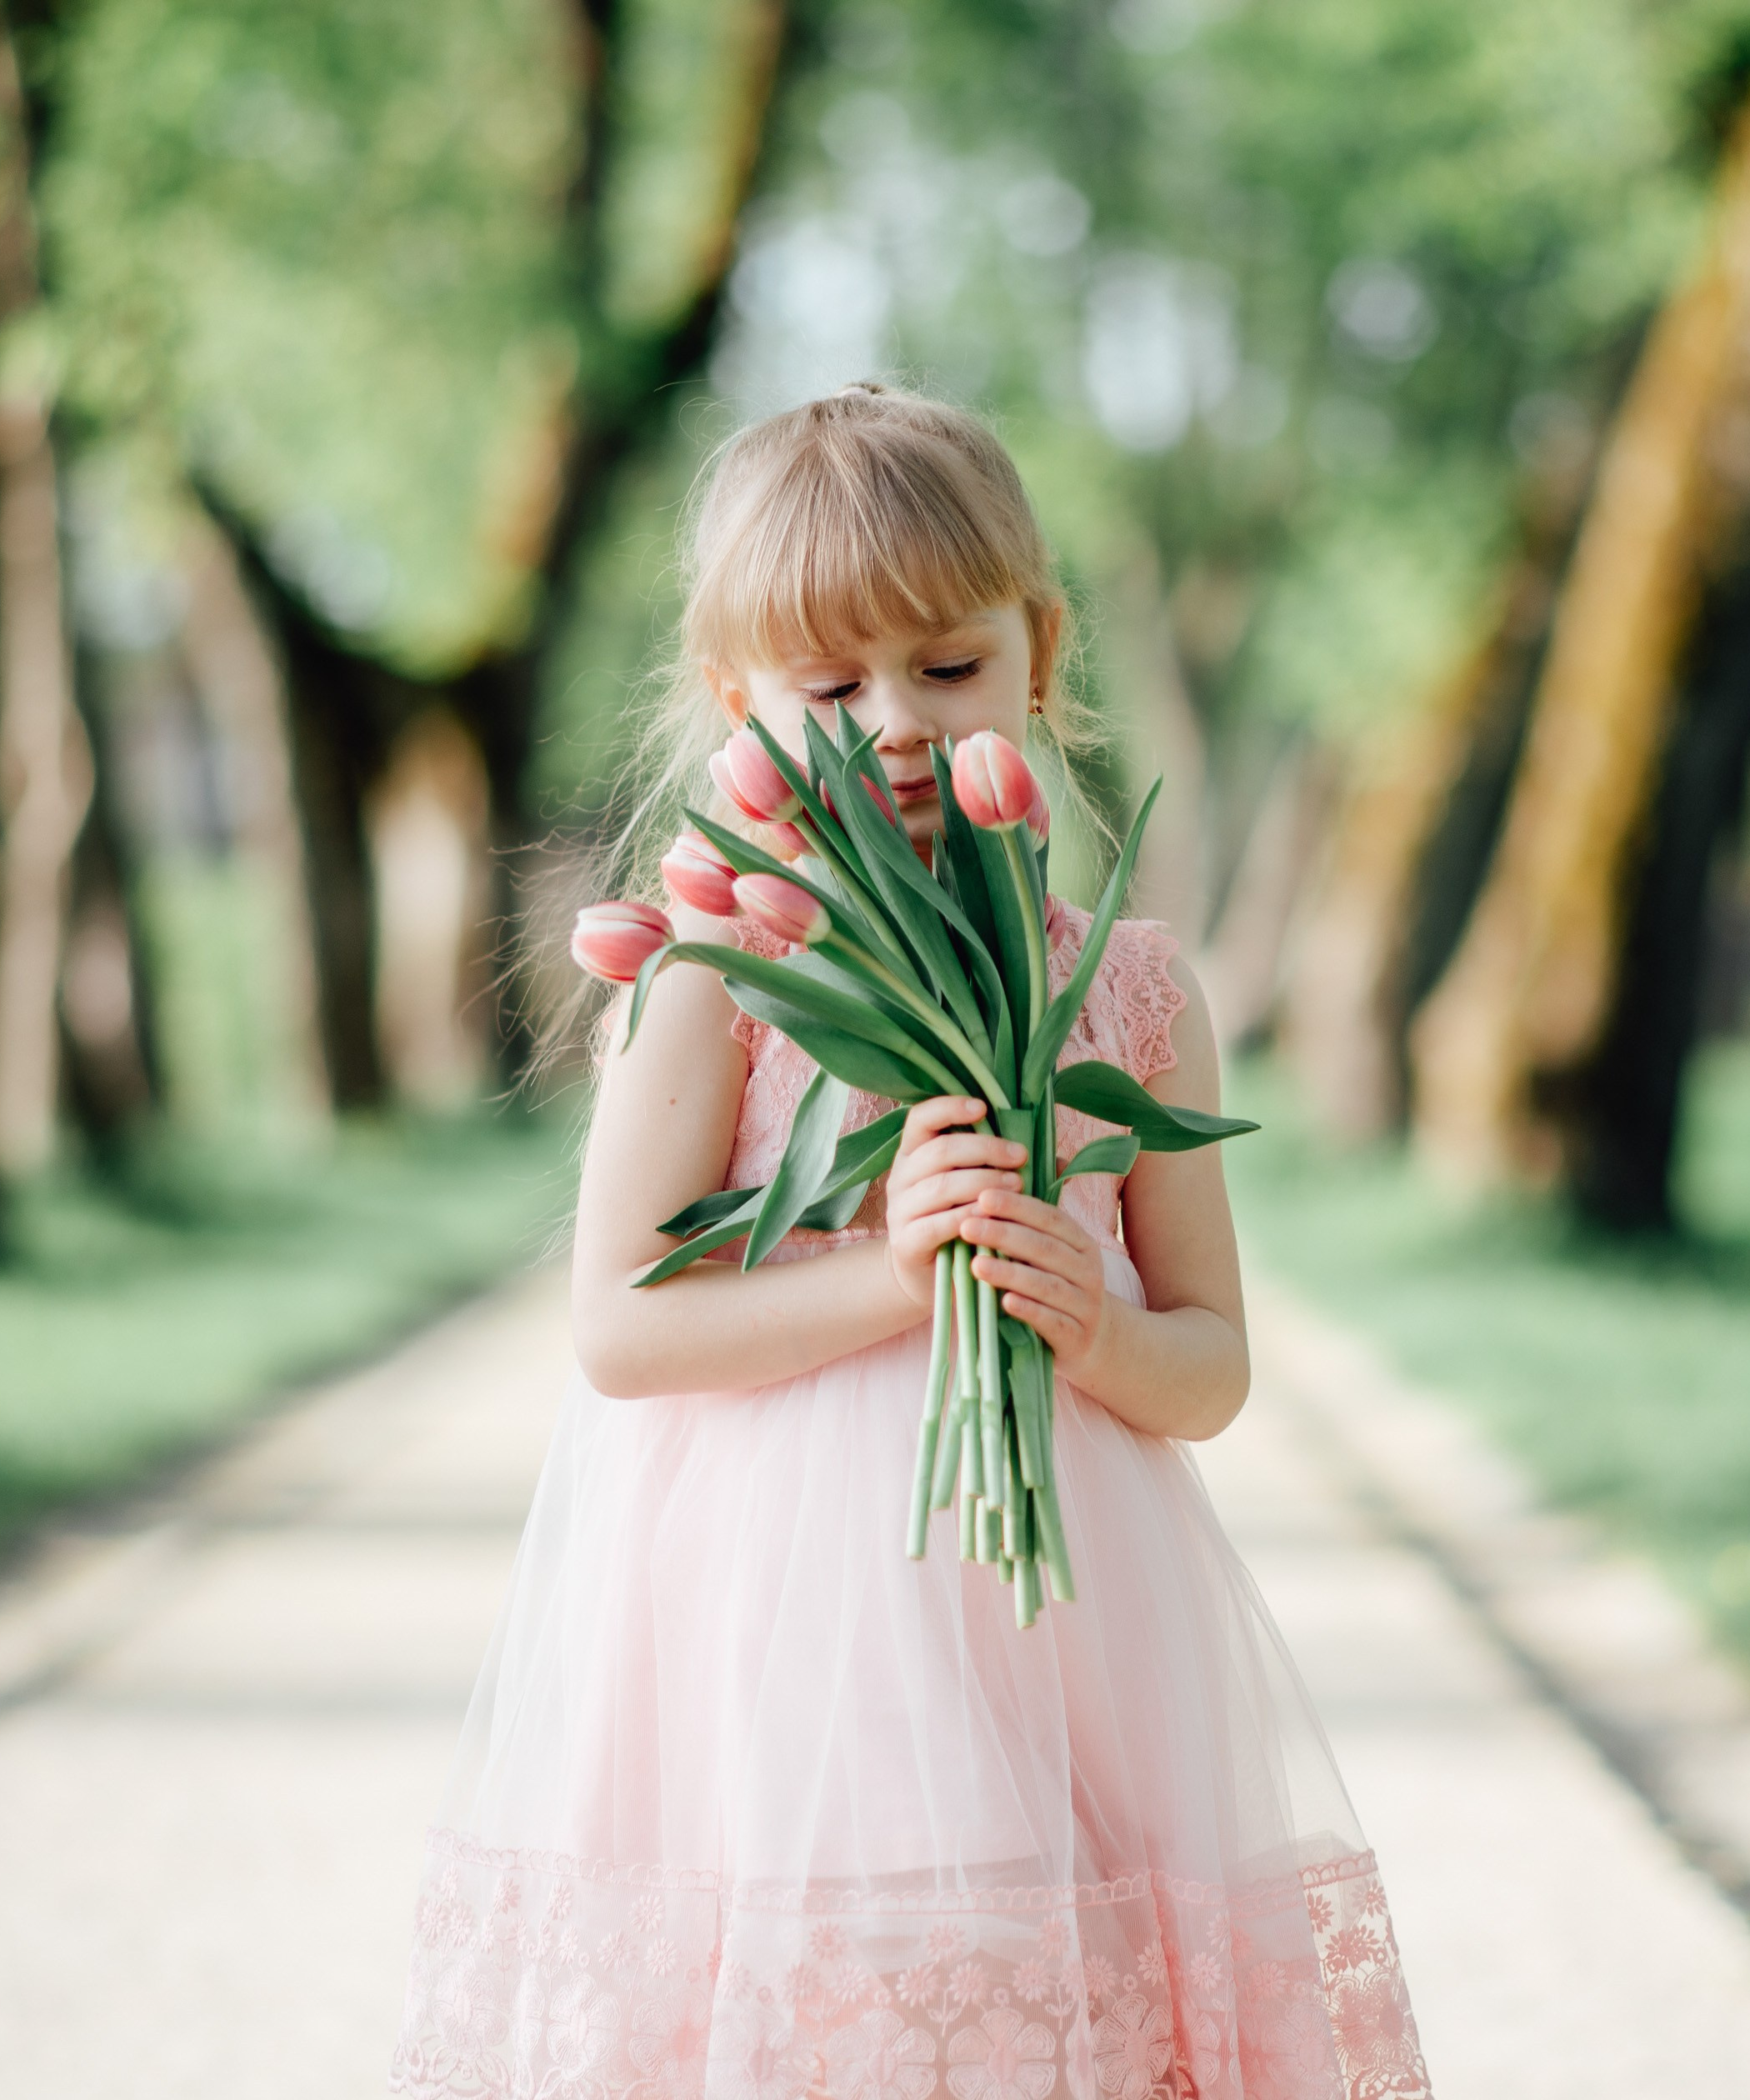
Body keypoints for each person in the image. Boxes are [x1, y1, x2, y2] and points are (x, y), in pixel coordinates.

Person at [389, 385, 1434, 2100]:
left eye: (948, 667)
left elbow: (1212, 1366)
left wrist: (1096, 1328)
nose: (894, 722)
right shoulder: (718, 975)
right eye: (831, 688)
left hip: (1073, 1622)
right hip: (791, 1633)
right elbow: (623, 1327)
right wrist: (890, 1275)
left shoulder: (1130, 993)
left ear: (1039, 652)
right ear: (739, 701)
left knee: (1063, 2019)